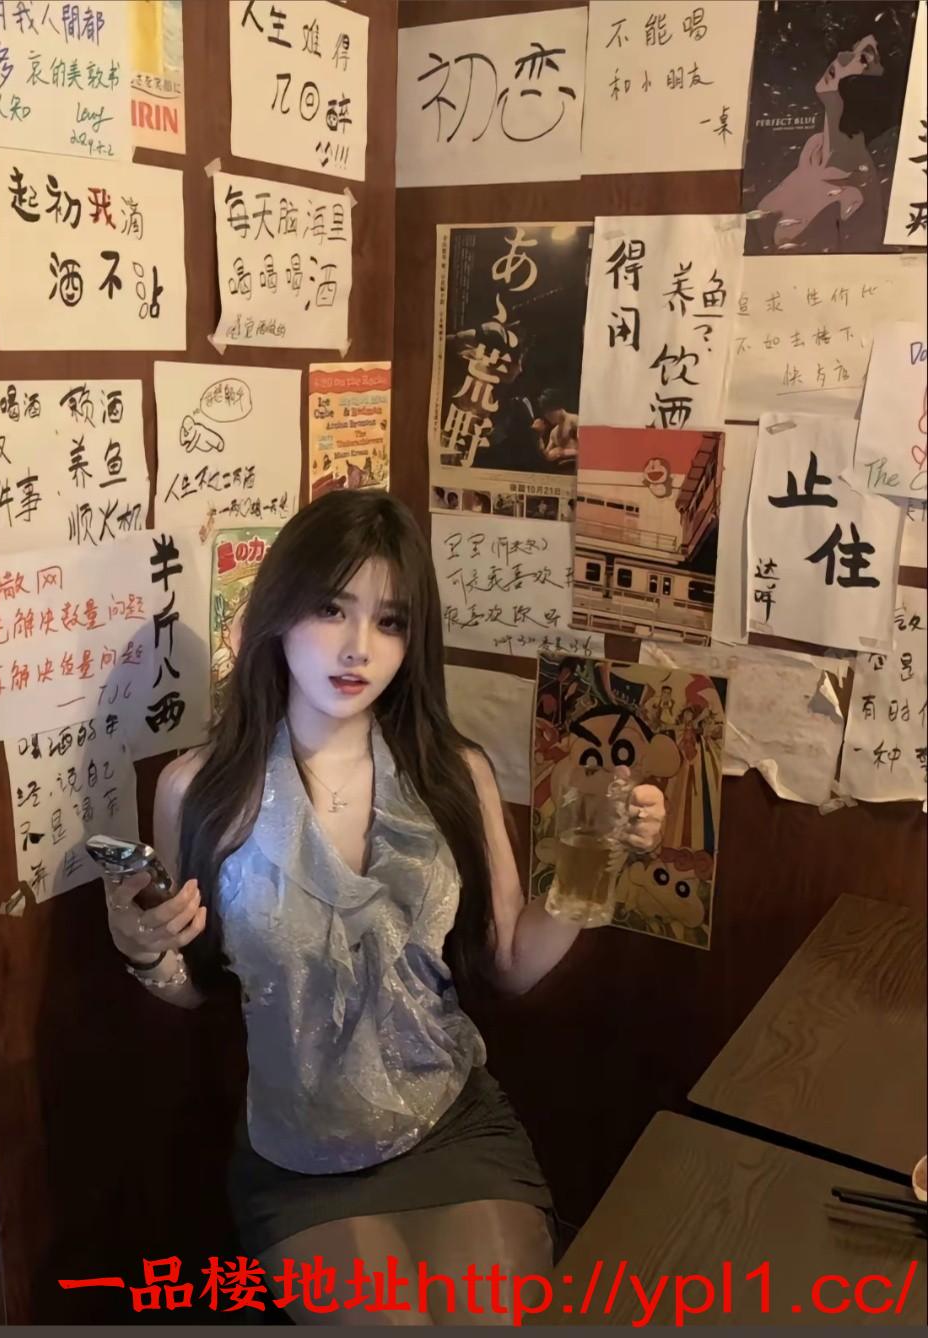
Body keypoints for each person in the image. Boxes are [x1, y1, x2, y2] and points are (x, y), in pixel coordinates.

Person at [103, 491, 665, 1326]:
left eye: (391, 621)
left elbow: (512, 963)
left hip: (451, 1121)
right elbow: (201, 987)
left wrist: (600, 869)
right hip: (299, 1149)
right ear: (279, 610)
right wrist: (145, 948)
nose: (359, 647)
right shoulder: (199, 791)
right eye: (332, 609)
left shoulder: (454, 774)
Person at [755, 31, 894, 251]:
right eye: (851, 49)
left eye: (864, 58)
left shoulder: (854, 195)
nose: (841, 57)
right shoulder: (814, 149)